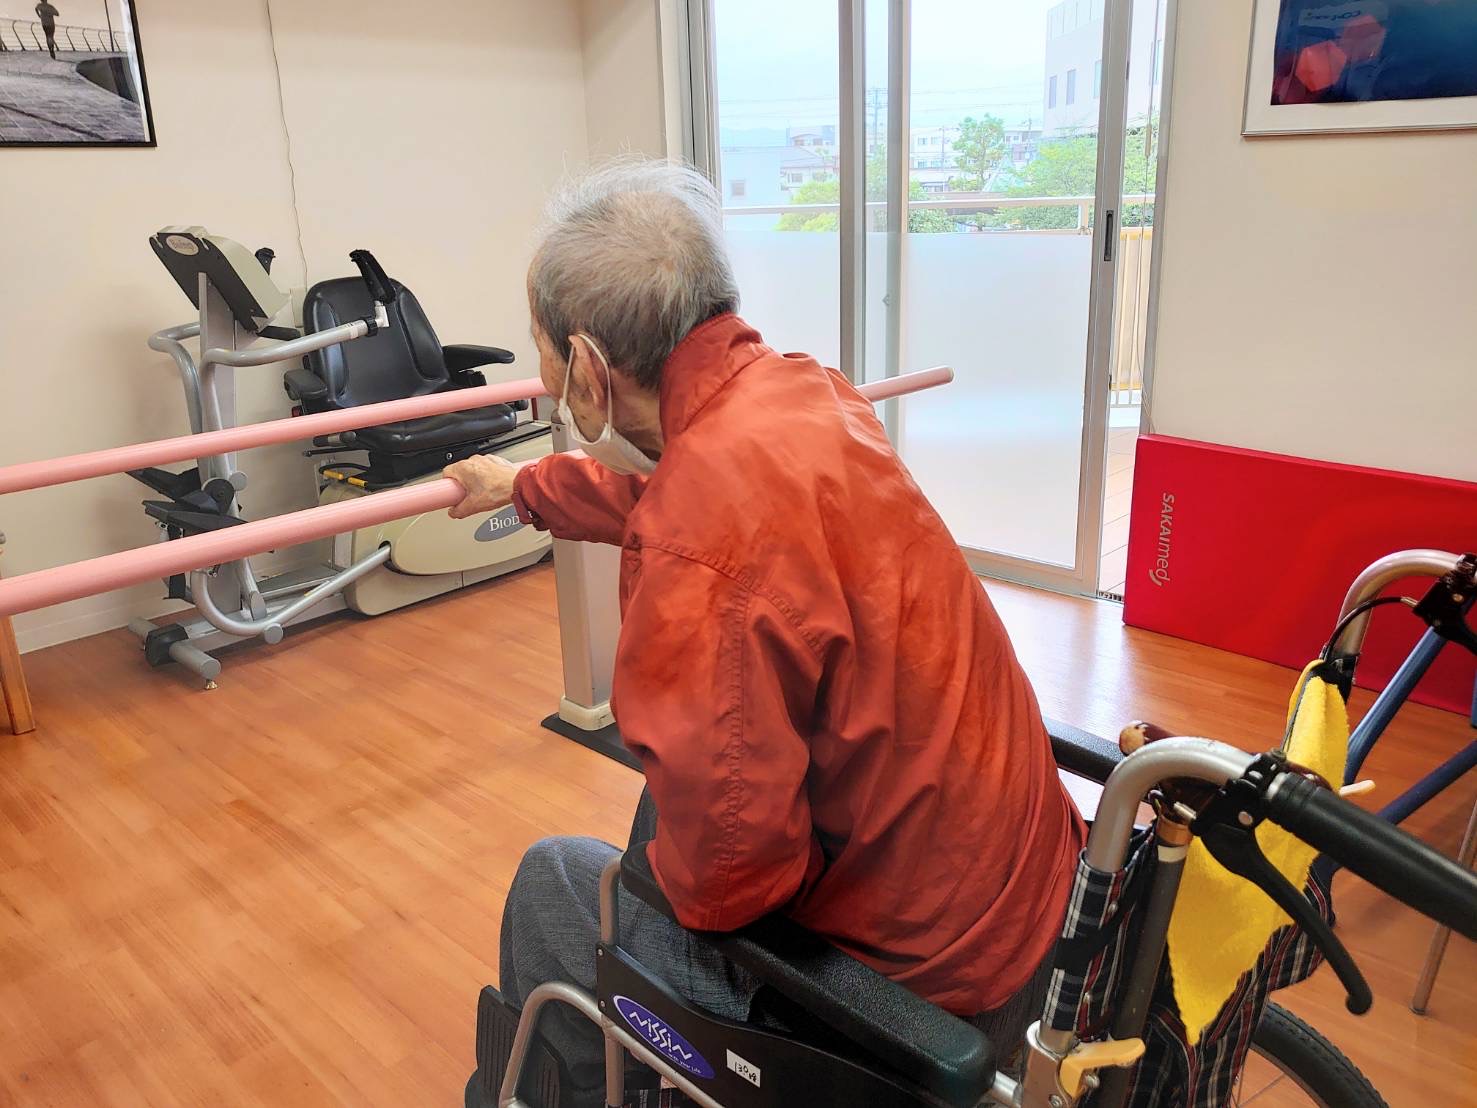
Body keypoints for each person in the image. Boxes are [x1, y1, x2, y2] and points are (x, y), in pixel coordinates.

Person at [446, 159, 1086, 1106]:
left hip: (915, 998)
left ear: (583, 367)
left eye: (541, 353)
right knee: (668, 805)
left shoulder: (697, 549)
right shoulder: (804, 396)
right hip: (1028, 903)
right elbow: (692, 509)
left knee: (554, 884)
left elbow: (733, 885)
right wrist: (529, 487)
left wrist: (676, 871)